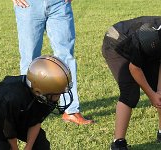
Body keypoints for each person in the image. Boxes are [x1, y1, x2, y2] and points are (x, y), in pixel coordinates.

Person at [12, 0, 94, 125]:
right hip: (28, 5)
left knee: (66, 58)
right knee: (29, 59)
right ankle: (28, 110)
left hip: (59, 4)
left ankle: (71, 111)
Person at [0, 55, 74, 150]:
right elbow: (8, 128)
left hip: (17, 111)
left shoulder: (45, 95)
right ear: (38, 91)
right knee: (2, 145)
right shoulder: (12, 97)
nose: (58, 98)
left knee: (40, 142)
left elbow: (36, 121)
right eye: (57, 94)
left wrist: (28, 147)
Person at [102, 16, 161, 150]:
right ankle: (118, 143)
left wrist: (158, 90)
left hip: (143, 45)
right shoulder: (153, 37)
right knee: (130, 93)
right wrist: (152, 95)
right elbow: (134, 68)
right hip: (116, 42)